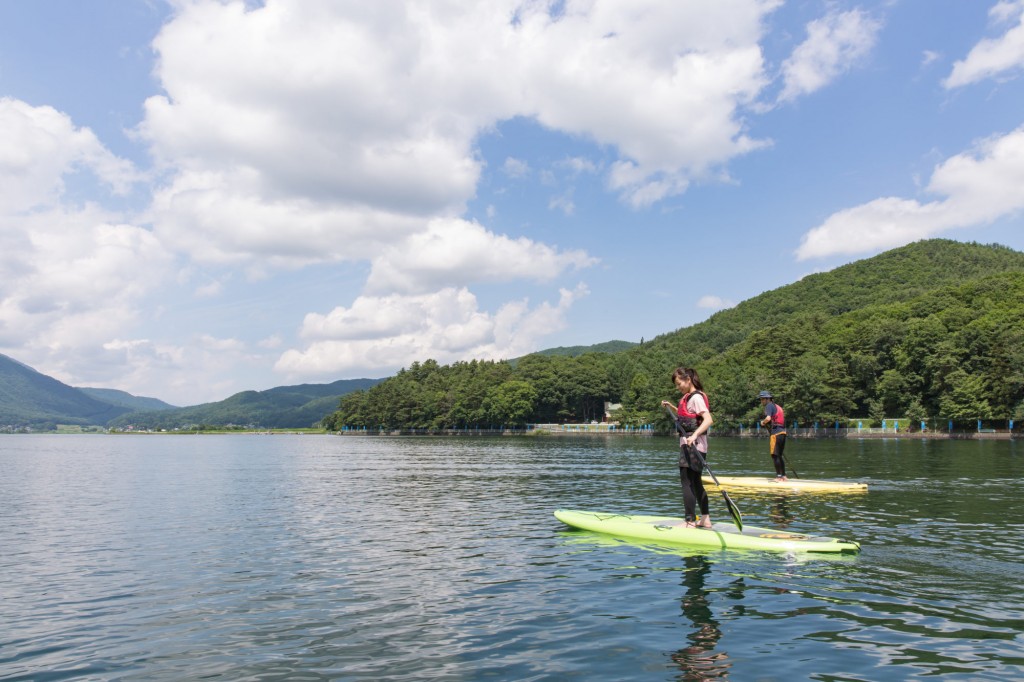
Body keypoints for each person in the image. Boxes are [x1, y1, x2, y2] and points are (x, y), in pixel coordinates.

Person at [661, 368, 714, 528]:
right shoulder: (689, 398)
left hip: (693, 445)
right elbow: (688, 416)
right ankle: (705, 519)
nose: (678, 387)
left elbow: (708, 419)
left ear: (688, 379)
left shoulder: (696, 397)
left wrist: (694, 435)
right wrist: (671, 406)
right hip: (695, 445)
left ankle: (689, 521)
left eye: (679, 384)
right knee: (696, 482)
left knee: (687, 482)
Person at [758, 390, 787, 481]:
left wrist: (763, 422)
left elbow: (768, 418)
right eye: (761, 399)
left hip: (776, 433)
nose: (761, 401)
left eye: (763, 399)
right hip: (783, 433)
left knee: (774, 455)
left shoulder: (769, 405)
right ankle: (783, 476)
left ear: (768, 399)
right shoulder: (777, 406)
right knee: (779, 455)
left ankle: (779, 477)